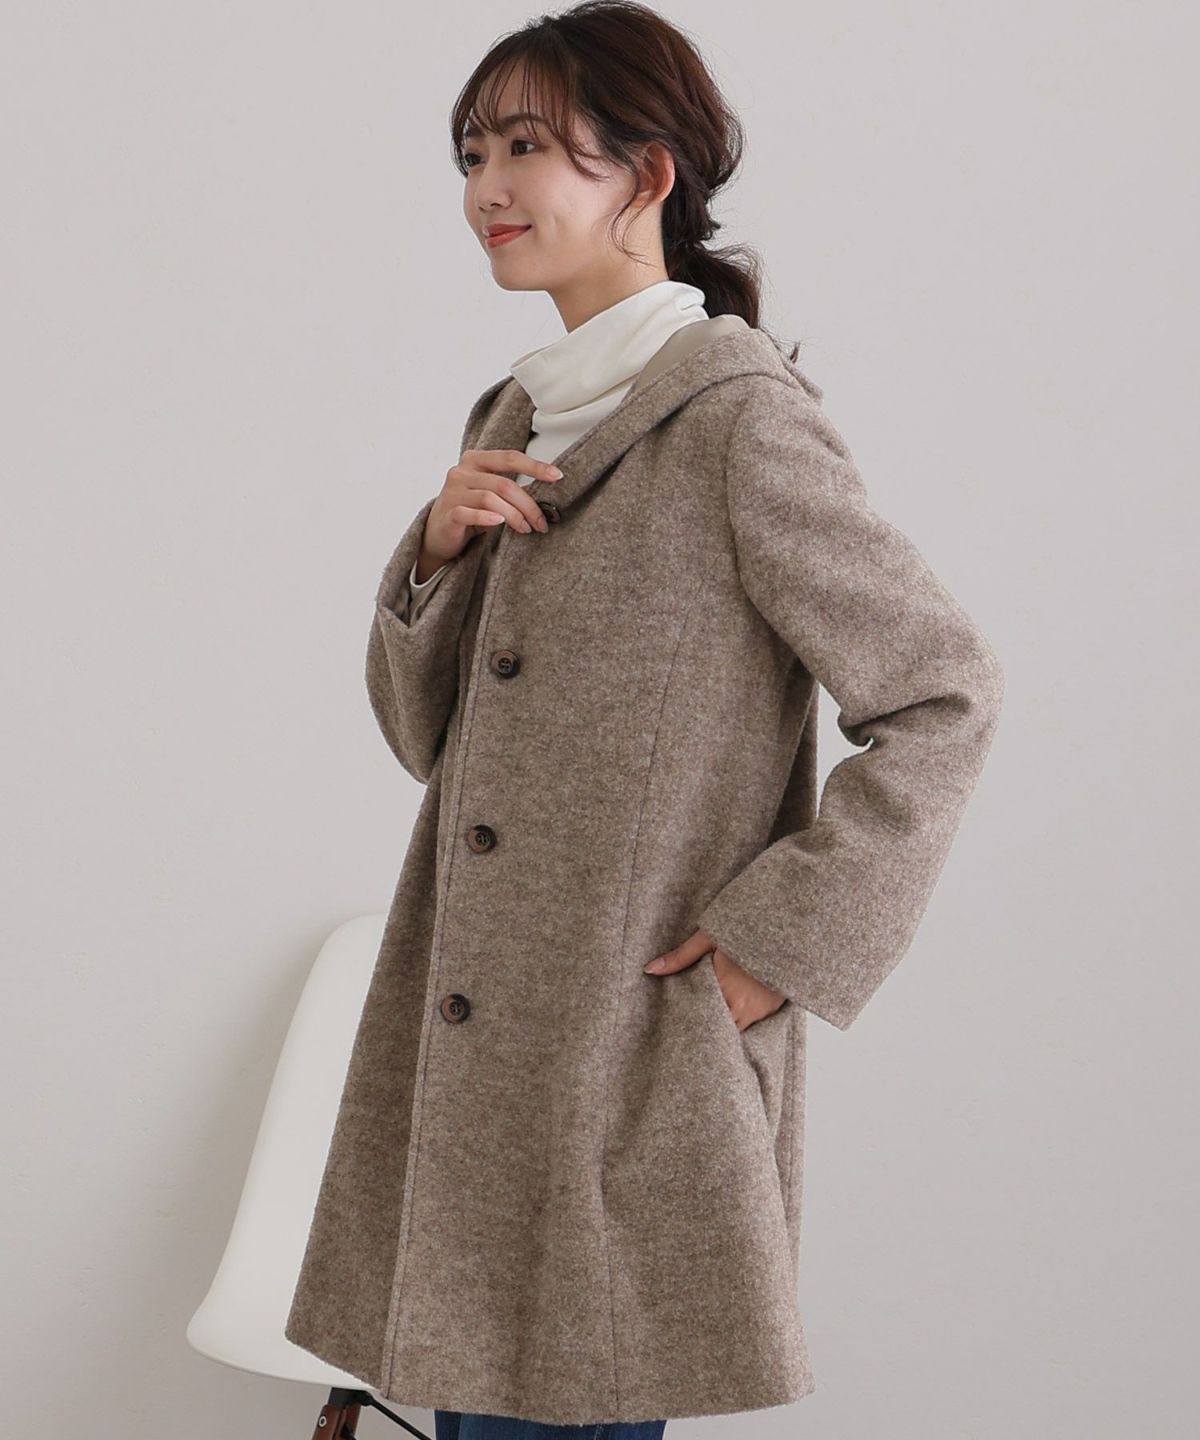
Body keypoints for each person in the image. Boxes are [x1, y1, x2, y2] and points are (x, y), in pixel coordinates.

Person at [284, 3, 1004, 1434]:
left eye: (527, 148)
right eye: (472, 154)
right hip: (471, 1066)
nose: (486, 188)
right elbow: (432, 749)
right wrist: (435, 554)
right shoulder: (514, 420)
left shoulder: (738, 420)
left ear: (648, 174)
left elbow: (943, 693)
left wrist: (777, 946)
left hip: (622, 1063)